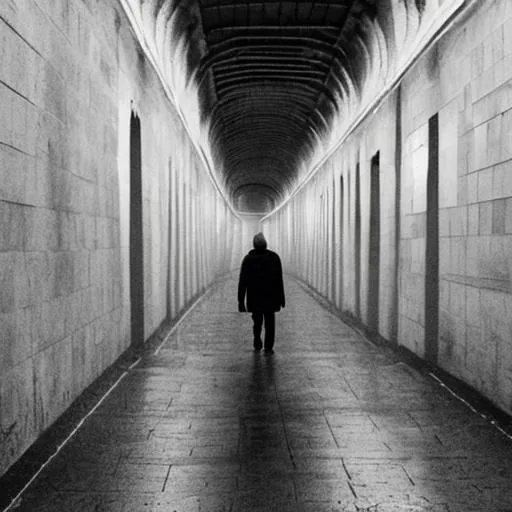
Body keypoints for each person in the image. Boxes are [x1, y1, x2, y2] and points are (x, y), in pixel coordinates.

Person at [238, 232, 285, 354]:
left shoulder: (248, 259)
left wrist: (241, 302)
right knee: (270, 323)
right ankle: (268, 347)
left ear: (254, 245)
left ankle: (257, 340)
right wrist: (282, 299)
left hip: (255, 297)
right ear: (266, 245)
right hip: (271, 298)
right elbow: (279, 280)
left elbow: (242, 282)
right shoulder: (274, 258)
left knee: (257, 321)